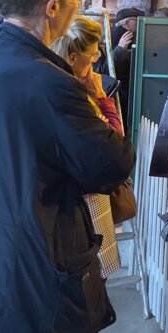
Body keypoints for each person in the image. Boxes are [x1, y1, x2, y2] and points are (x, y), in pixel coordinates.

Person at [0, 0, 135, 333]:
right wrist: (96, 98)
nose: (76, 6)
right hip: (31, 266)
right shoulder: (51, 83)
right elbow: (111, 165)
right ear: (53, 8)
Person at [53, 15, 126, 279]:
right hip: (86, 199)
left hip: (63, 197)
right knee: (92, 276)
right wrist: (102, 98)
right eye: (93, 56)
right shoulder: (77, 97)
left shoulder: (49, 85)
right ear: (73, 57)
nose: (95, 63)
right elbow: (114, 142)